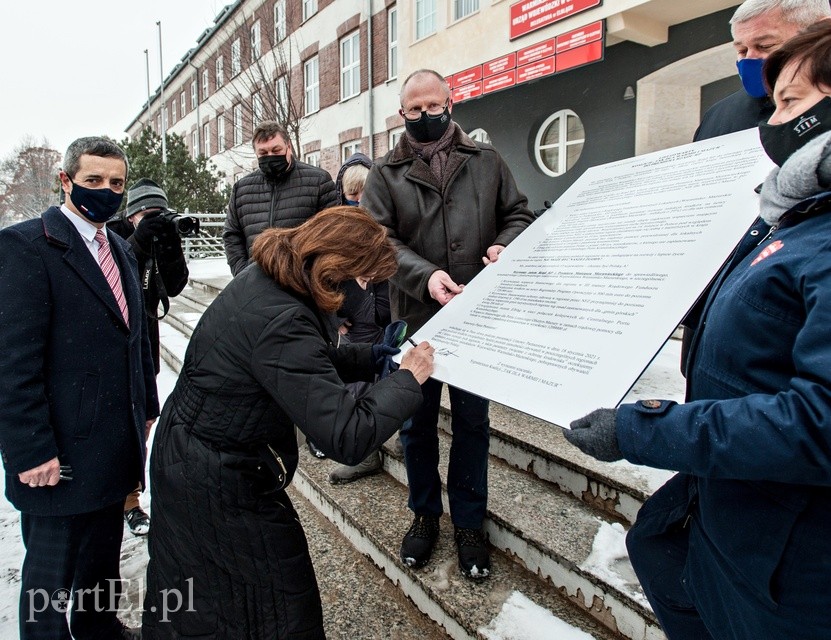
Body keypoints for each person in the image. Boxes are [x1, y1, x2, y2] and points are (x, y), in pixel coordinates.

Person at [564, 22, 831, 639]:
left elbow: (819, 424)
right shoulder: (797, 216)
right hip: (743, 516)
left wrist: (643, 428)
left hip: (791, 566)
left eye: (791, 101)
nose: (772, 118)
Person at [142, 207, 434, 639]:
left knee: (211, 600)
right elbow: (347, 435)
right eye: (367, 280)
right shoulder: (283, 316)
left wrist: (370, 357)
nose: (368, 291)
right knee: (277, 606)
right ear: (338, 270)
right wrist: (408, 380)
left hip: (200, 459)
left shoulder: (273, 280)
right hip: (218, 481)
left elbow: (296, 361)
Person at [361, 69, 535, 580]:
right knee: (416, 426)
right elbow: (377, 240)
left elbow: (518, 214)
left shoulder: (487, 161)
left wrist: (507, 244)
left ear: (451, 103)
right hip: (416, 320)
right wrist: (426, 275)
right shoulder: (384, 173)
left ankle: (469, 521)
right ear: (402, 114)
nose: (425, 116)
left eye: (433, 105)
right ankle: (423, 514)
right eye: (414, 110)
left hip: (476, 316)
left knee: (473, 424)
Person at [0, 137, 158, 640]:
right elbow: (11, 364)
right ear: (66, 181)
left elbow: (137, 338)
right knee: (49, 584)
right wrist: (31, 452)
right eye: (93, 181)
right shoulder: (26, 247)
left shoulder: (118, 247)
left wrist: (147, 407)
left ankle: (99, 631)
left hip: (113, 447)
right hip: (58, 457)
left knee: (100, 568)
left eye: (116, 183)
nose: (106, 192)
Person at [681, 0, 831, 372]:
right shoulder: (721, 114)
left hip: (784, 323)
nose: (750, 59)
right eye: (740, 49)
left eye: (764, 46)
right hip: (713, 304)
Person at [108, 178, 189, 536]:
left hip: (145, 347)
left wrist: (170, 246)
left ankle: (131, 496)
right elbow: (111, 284)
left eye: (160, 213)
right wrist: (138, 244)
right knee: (119, 427)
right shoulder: (112, 237)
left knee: (143, 423)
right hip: (112, 347)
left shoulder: (161, 238)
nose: (155, 220)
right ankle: (124, 500)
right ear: (132, 214)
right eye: (148, 215)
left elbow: (174, 286)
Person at [327, 153, 400, 484]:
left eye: (363, 195)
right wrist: (332, 317)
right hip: (354, 321)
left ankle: (399, 436)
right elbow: (325, 277)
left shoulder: (389, 222)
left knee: (395, 376)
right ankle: (365, 453)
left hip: (386, 317)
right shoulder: (335, 229)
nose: (358, 203)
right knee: (356, 386)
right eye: (351, 196)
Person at [222, 120, 338, 277]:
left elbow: (333, 232)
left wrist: (313, 276)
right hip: (256, 284)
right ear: (256, 153)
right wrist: (242, 273)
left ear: (288, 147)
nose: (270, 157)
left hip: (303, 285)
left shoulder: (318, 181)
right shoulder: (241, 189)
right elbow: (232, 235)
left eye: (276, 151)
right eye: (263, 153)